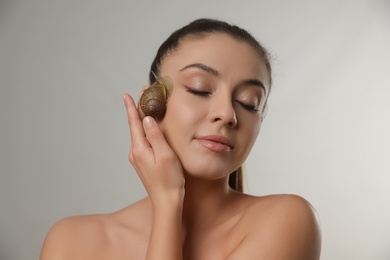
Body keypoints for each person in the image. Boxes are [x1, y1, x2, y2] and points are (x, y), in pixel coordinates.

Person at [40, 18, 321, 259]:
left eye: (249, 103)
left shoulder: (288, 220)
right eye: (199, 89)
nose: (227, 114)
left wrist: (167, 201)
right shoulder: (71, 241)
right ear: (150, 102)